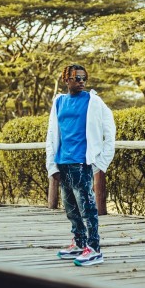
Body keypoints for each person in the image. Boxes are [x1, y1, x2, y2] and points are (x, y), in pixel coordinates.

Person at [45, 63, 116, 266]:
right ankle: (79, 243)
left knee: (87, 208)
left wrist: (102, 162)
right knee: (70, 209)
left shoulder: (93, 101)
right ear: (66, 80)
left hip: (81, 162)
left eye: (84, 78)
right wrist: (52, 165)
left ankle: (94, 249)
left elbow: (109, 130)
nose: (81, 82)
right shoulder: (59, 101)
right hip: (63, 162)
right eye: (77, 78)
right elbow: (52, 134)